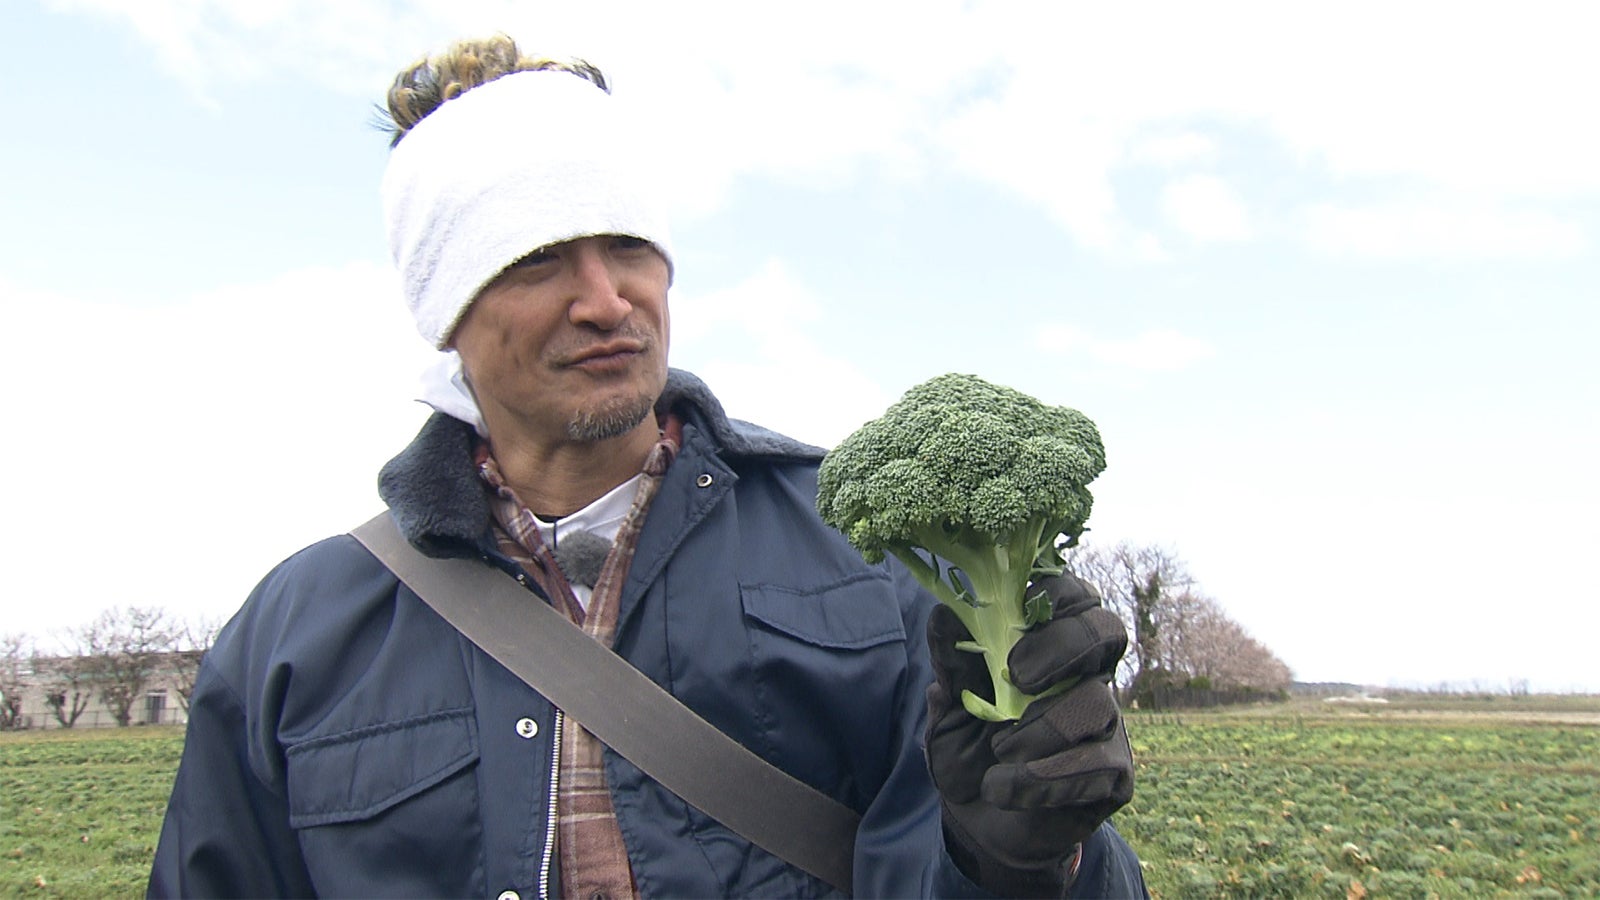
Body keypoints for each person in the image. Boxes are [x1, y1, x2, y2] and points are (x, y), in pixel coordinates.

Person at [148, 35, 1146, 899]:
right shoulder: (295, 636)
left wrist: (1022, 867)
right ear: (444, 308)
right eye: (536, 259)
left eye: (627, 246)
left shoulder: (874, 556)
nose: (604, 299)